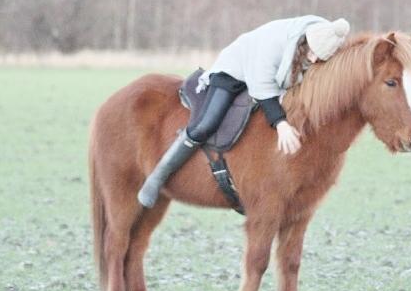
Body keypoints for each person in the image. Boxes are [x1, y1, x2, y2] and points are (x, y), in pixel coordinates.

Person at [137, 15, 350, 208]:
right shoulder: (273, 45)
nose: (313, 59)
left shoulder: (320, 39)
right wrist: (281, 124)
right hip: (235, 71)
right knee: (206, 124)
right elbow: (263, 85)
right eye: (311, 52)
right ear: (305, 41)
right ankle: (157, 176)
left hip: (272, 78)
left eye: (319, 58)